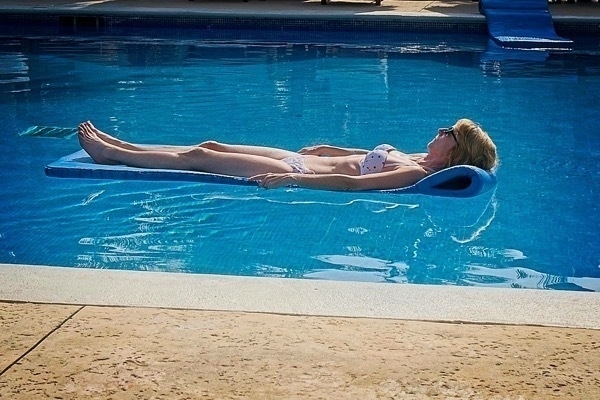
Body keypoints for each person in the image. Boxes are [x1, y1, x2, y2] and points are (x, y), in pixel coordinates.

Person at [77, 118, 497, 191]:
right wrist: (329, 148)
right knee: (212, 144)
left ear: (455, 152)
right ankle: (126, 146)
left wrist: (295, 178)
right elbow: (357, 157)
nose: (440, 131)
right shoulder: (417, 160)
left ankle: (111, 155)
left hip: (292, 169)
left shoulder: (412, 177)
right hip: (304, 159)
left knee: (199, 156)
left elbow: (352, 181)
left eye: (449, 133)